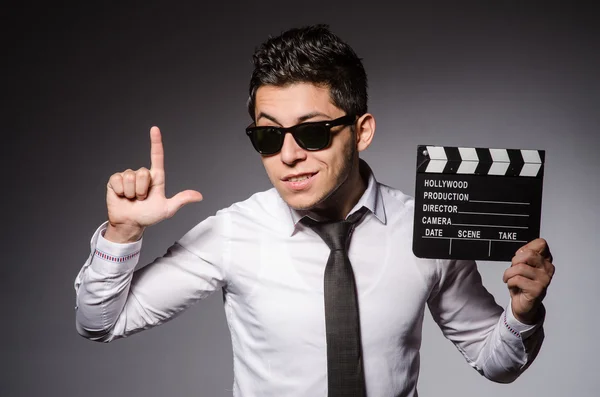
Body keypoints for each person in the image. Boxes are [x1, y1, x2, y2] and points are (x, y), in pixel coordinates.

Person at [74, 24, 555, 397]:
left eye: (312, 132)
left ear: (361, 131)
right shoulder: (233, 233)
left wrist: (522, 312)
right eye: (268, 135)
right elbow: (100, 324)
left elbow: (497, 364)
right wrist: (122, 232)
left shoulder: (423, 228)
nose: (288, 156)